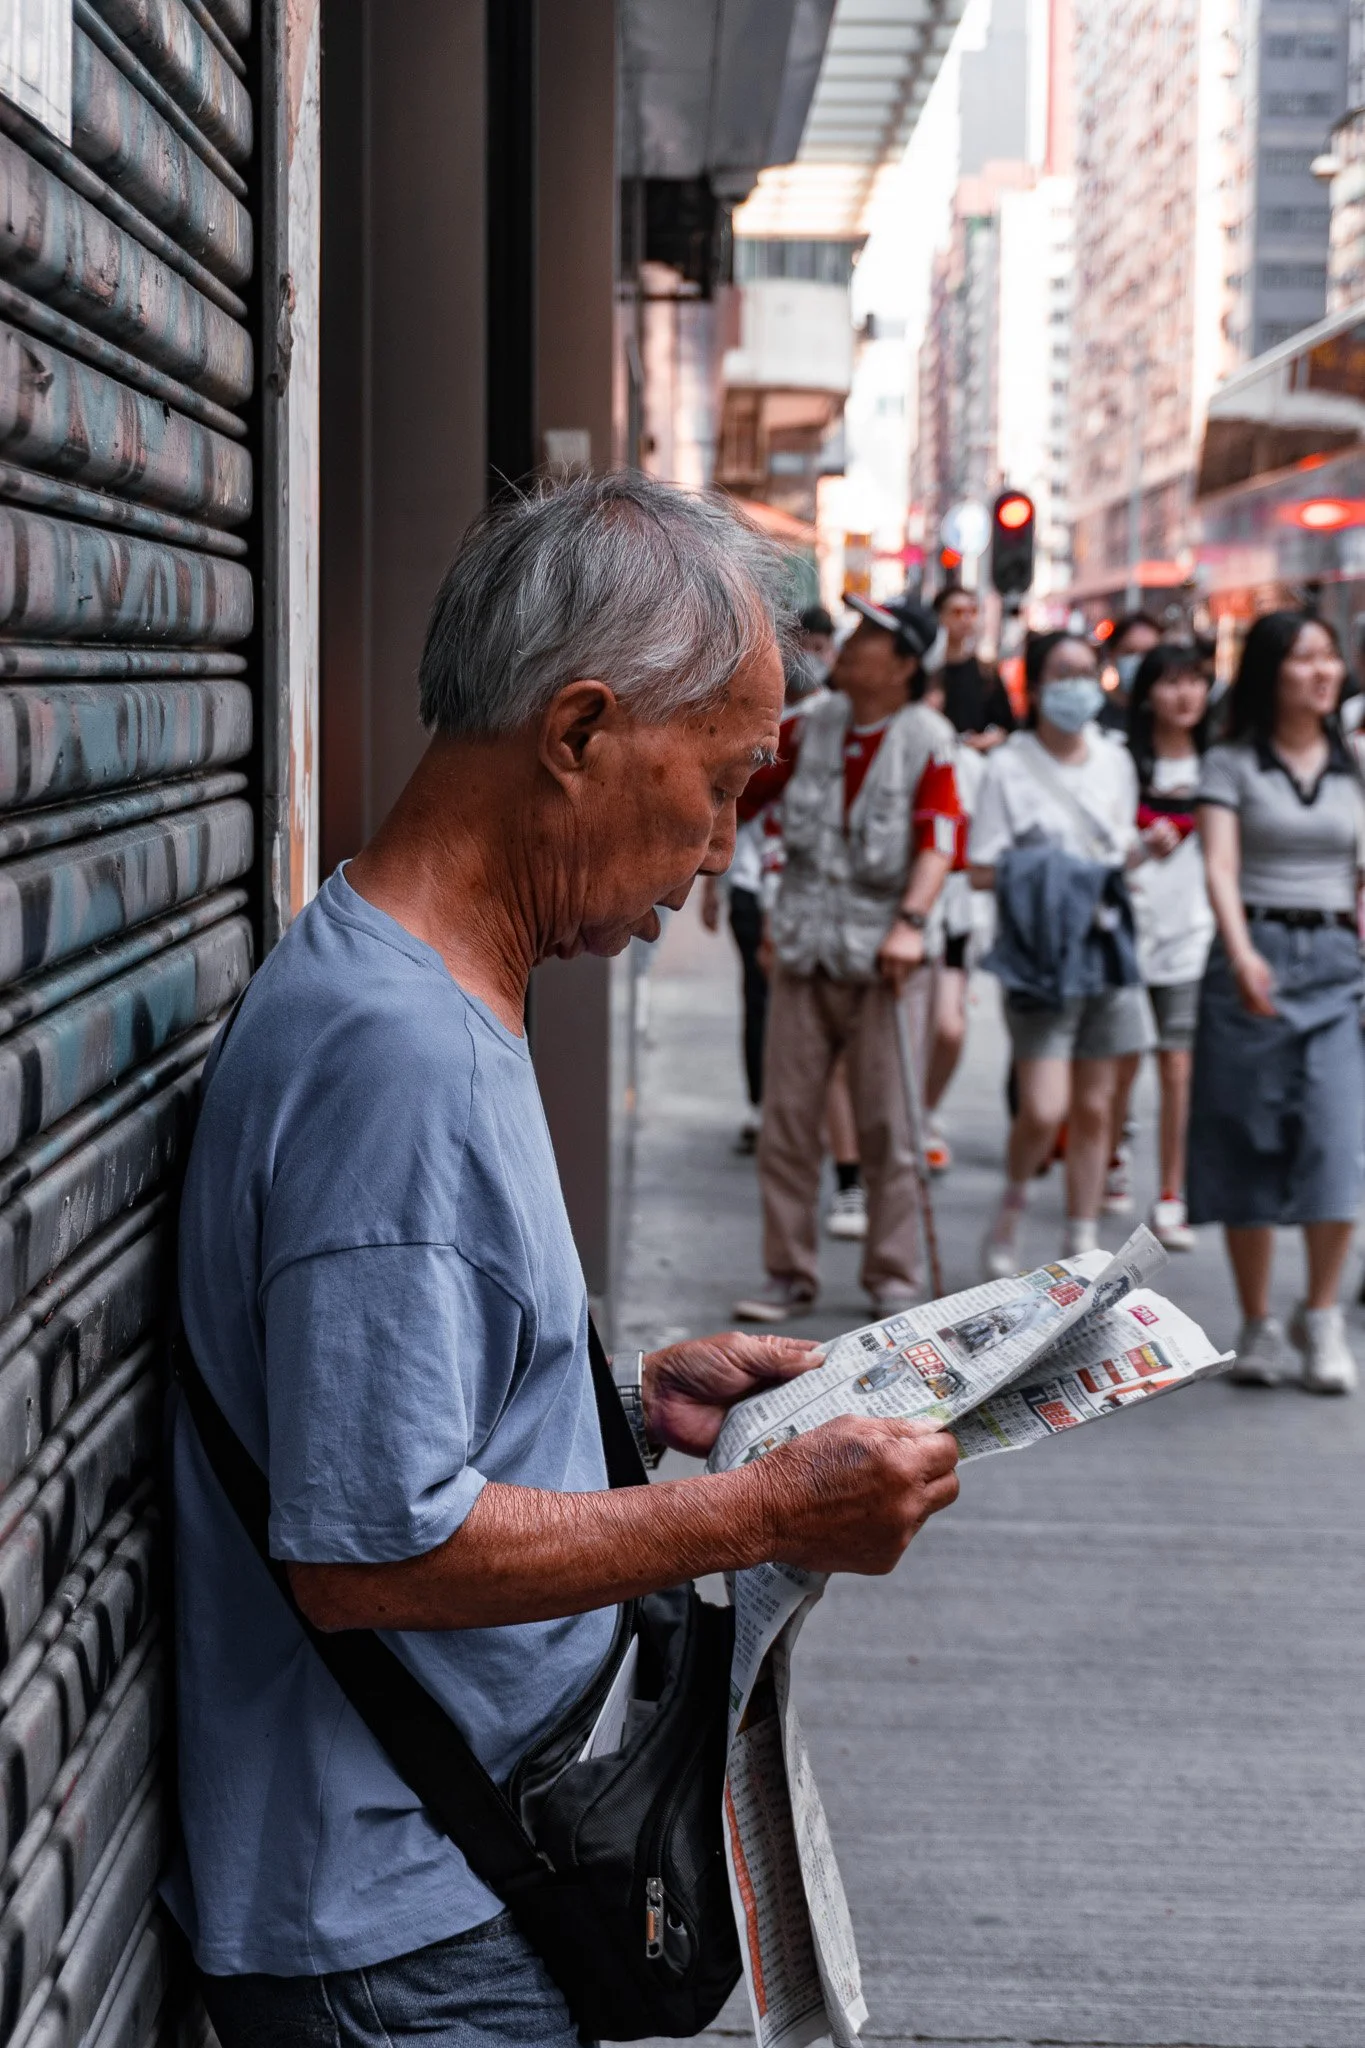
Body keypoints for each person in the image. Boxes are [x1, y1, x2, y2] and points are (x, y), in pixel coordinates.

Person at [170, 474, 961, 2048]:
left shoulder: (405, 979)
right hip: (407, 1937)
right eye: (723, 780)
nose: (724, 846)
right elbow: (366, 1553)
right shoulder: (403, 1058)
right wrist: (759, 1512)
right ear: (581, 732)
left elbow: (383, 1390)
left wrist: (611, 1393)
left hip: (425, 1894)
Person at [732, 593, 961, 1321]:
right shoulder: (807, 727)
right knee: (787, 1122)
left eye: (867, 638)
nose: (848, 647)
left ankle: (893, 1278)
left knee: (890, 1126)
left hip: (886, 963)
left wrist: (912, 923)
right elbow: (737, 797)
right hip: (803, 948)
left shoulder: (930, 737)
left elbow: (939, 841)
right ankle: (786, 1274)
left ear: (901, 665)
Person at [1190, 611, 1365, 1394]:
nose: (1322, 674)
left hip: (1335, 964)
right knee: (1248, 1141)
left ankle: (1321, 1316)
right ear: (1269, 674)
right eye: (1303, 661)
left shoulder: (1354, 763)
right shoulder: (1230, 763)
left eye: (1329, 660)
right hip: (1250, 962)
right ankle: (1257, 1321)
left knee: (1335, 1142)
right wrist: (1241, 951)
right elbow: (1221, 868)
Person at [969, 630, 1153, 1278]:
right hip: (1039, 954)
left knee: (1098, 1105)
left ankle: (1082, 1242)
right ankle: (1013, 1206)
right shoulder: (1006, 766)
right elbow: (980, 868)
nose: (1077, 685)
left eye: (1087, 672)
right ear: (1038, 686)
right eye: (1062, 672)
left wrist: (1144, 851)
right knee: (1043, 1107)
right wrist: (1055, 873)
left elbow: (1119, 854)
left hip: (1105, 946)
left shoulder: (1115, 759)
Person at [1107, 645, 1215, 1249]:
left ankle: (1172, 1191)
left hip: (1192, 935)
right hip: (1127, 929)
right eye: (1172, 682)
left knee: (1178, 1065)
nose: (1185, 695)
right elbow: (1106, 844)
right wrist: (1144, 843)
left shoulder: (1218, 765)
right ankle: (1116, 1146)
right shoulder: (1124, 762)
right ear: (1149, 692)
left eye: (1195, 682)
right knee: (1122, 1057)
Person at [931, 586, 1016, 751]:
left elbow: (1006, 725)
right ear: (940, 616)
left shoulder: (986, 671)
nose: (966, 618)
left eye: (973, 611)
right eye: (957, 612)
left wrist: (985, 740)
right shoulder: (929, 669)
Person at [1097, 611, 1160, 735]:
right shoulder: (1095, 714)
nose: (1139, 661)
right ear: (1112, 655)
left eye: (1148, 653)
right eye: (1129, 652)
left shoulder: (1168, 717)